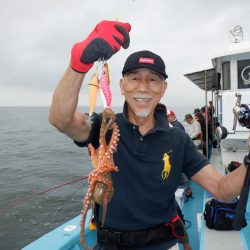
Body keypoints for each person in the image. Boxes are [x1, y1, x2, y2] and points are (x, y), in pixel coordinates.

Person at [49, 20, 247, 250]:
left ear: (163, 89)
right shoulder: (106, 128)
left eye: (152, 79)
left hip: (164, 243)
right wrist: (79, 63)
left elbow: (222, 189)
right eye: (134, 78)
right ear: (122, 86)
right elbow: (60, 119)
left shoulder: (178, 139)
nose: (143, 87)